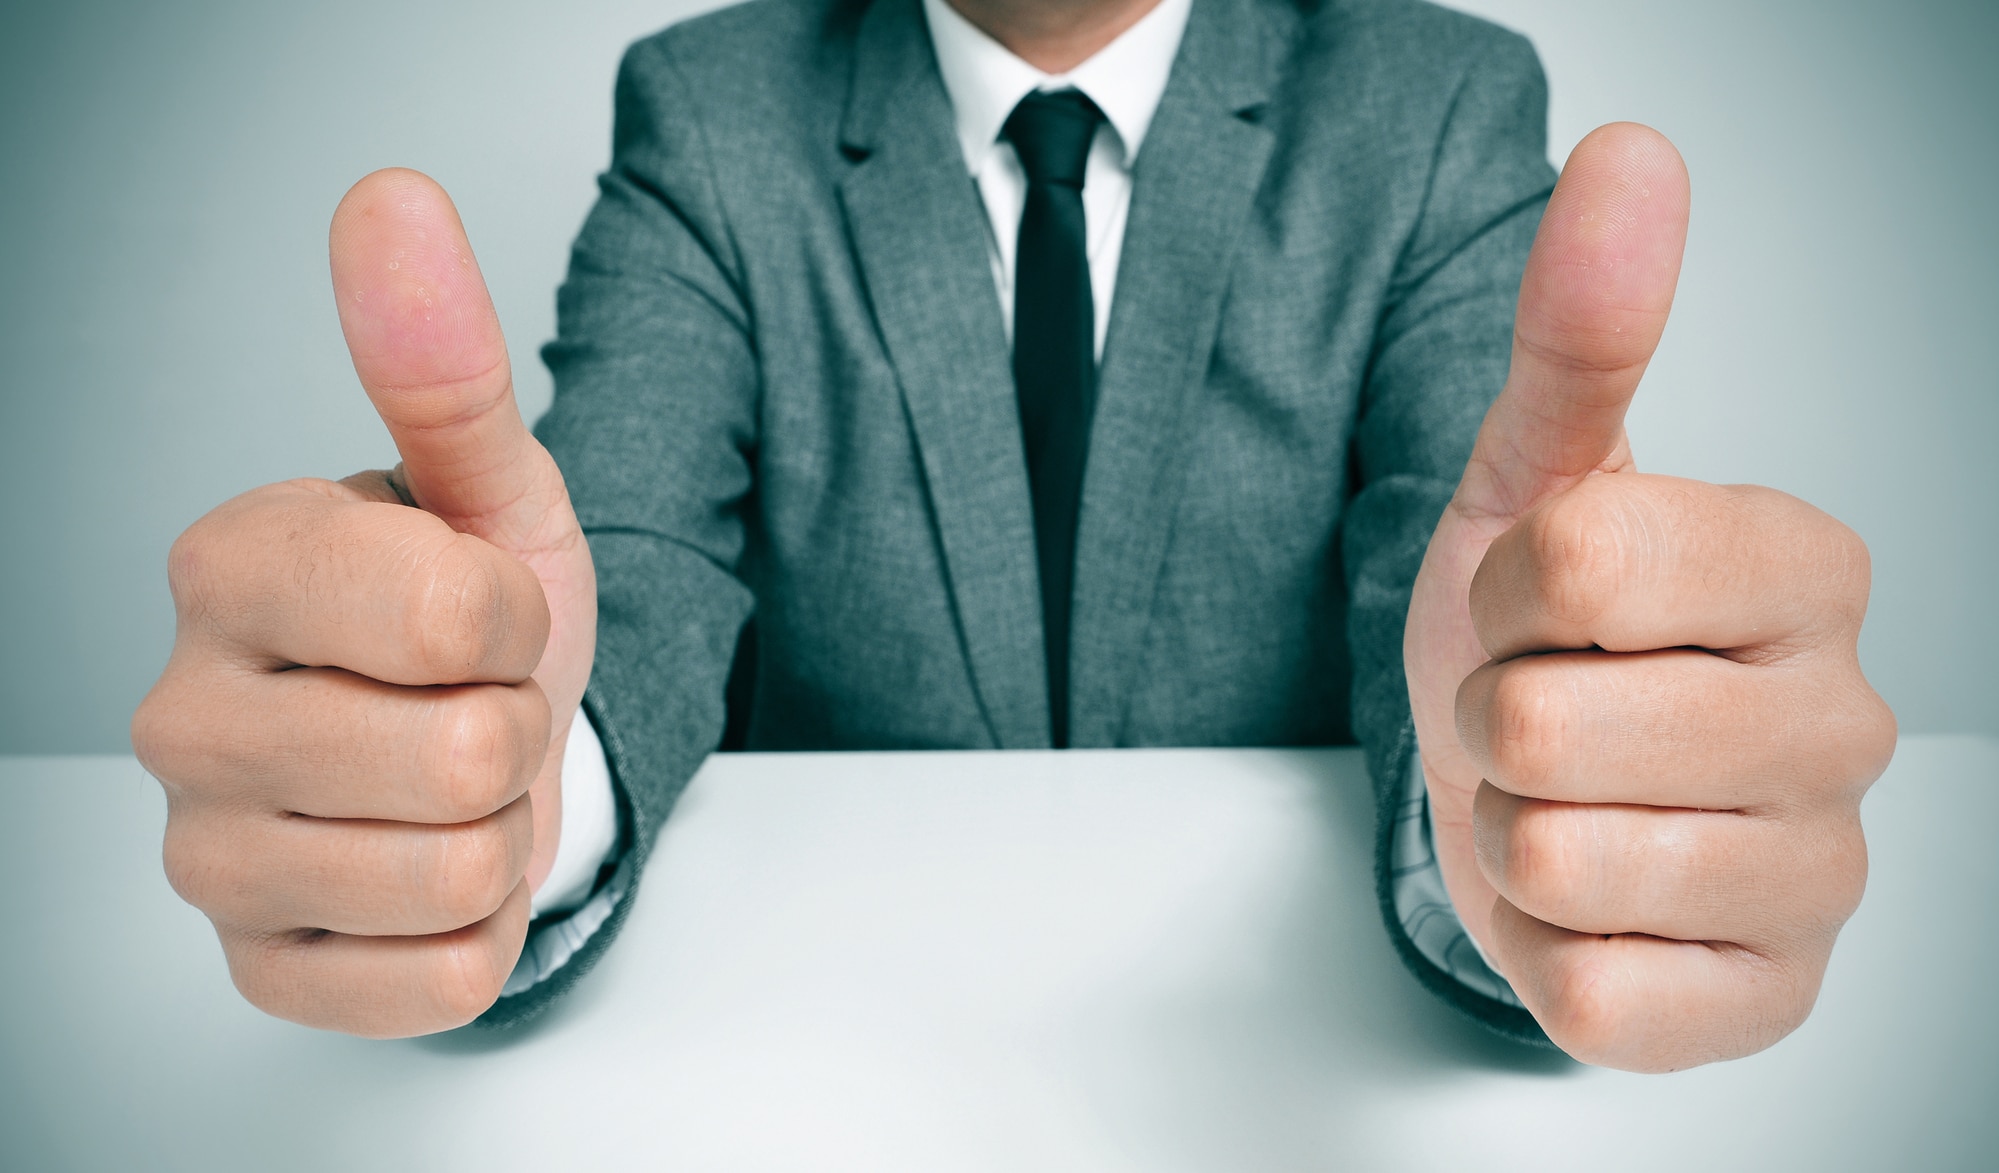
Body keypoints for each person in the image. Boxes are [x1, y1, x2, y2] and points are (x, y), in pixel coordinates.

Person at [131, 0, 1894, 1073]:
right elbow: (626, 568)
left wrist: (1529, 801)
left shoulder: (1431, 103)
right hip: (817, 1073)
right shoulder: (709, 107)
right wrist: (502, 784)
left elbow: (1460, 556)